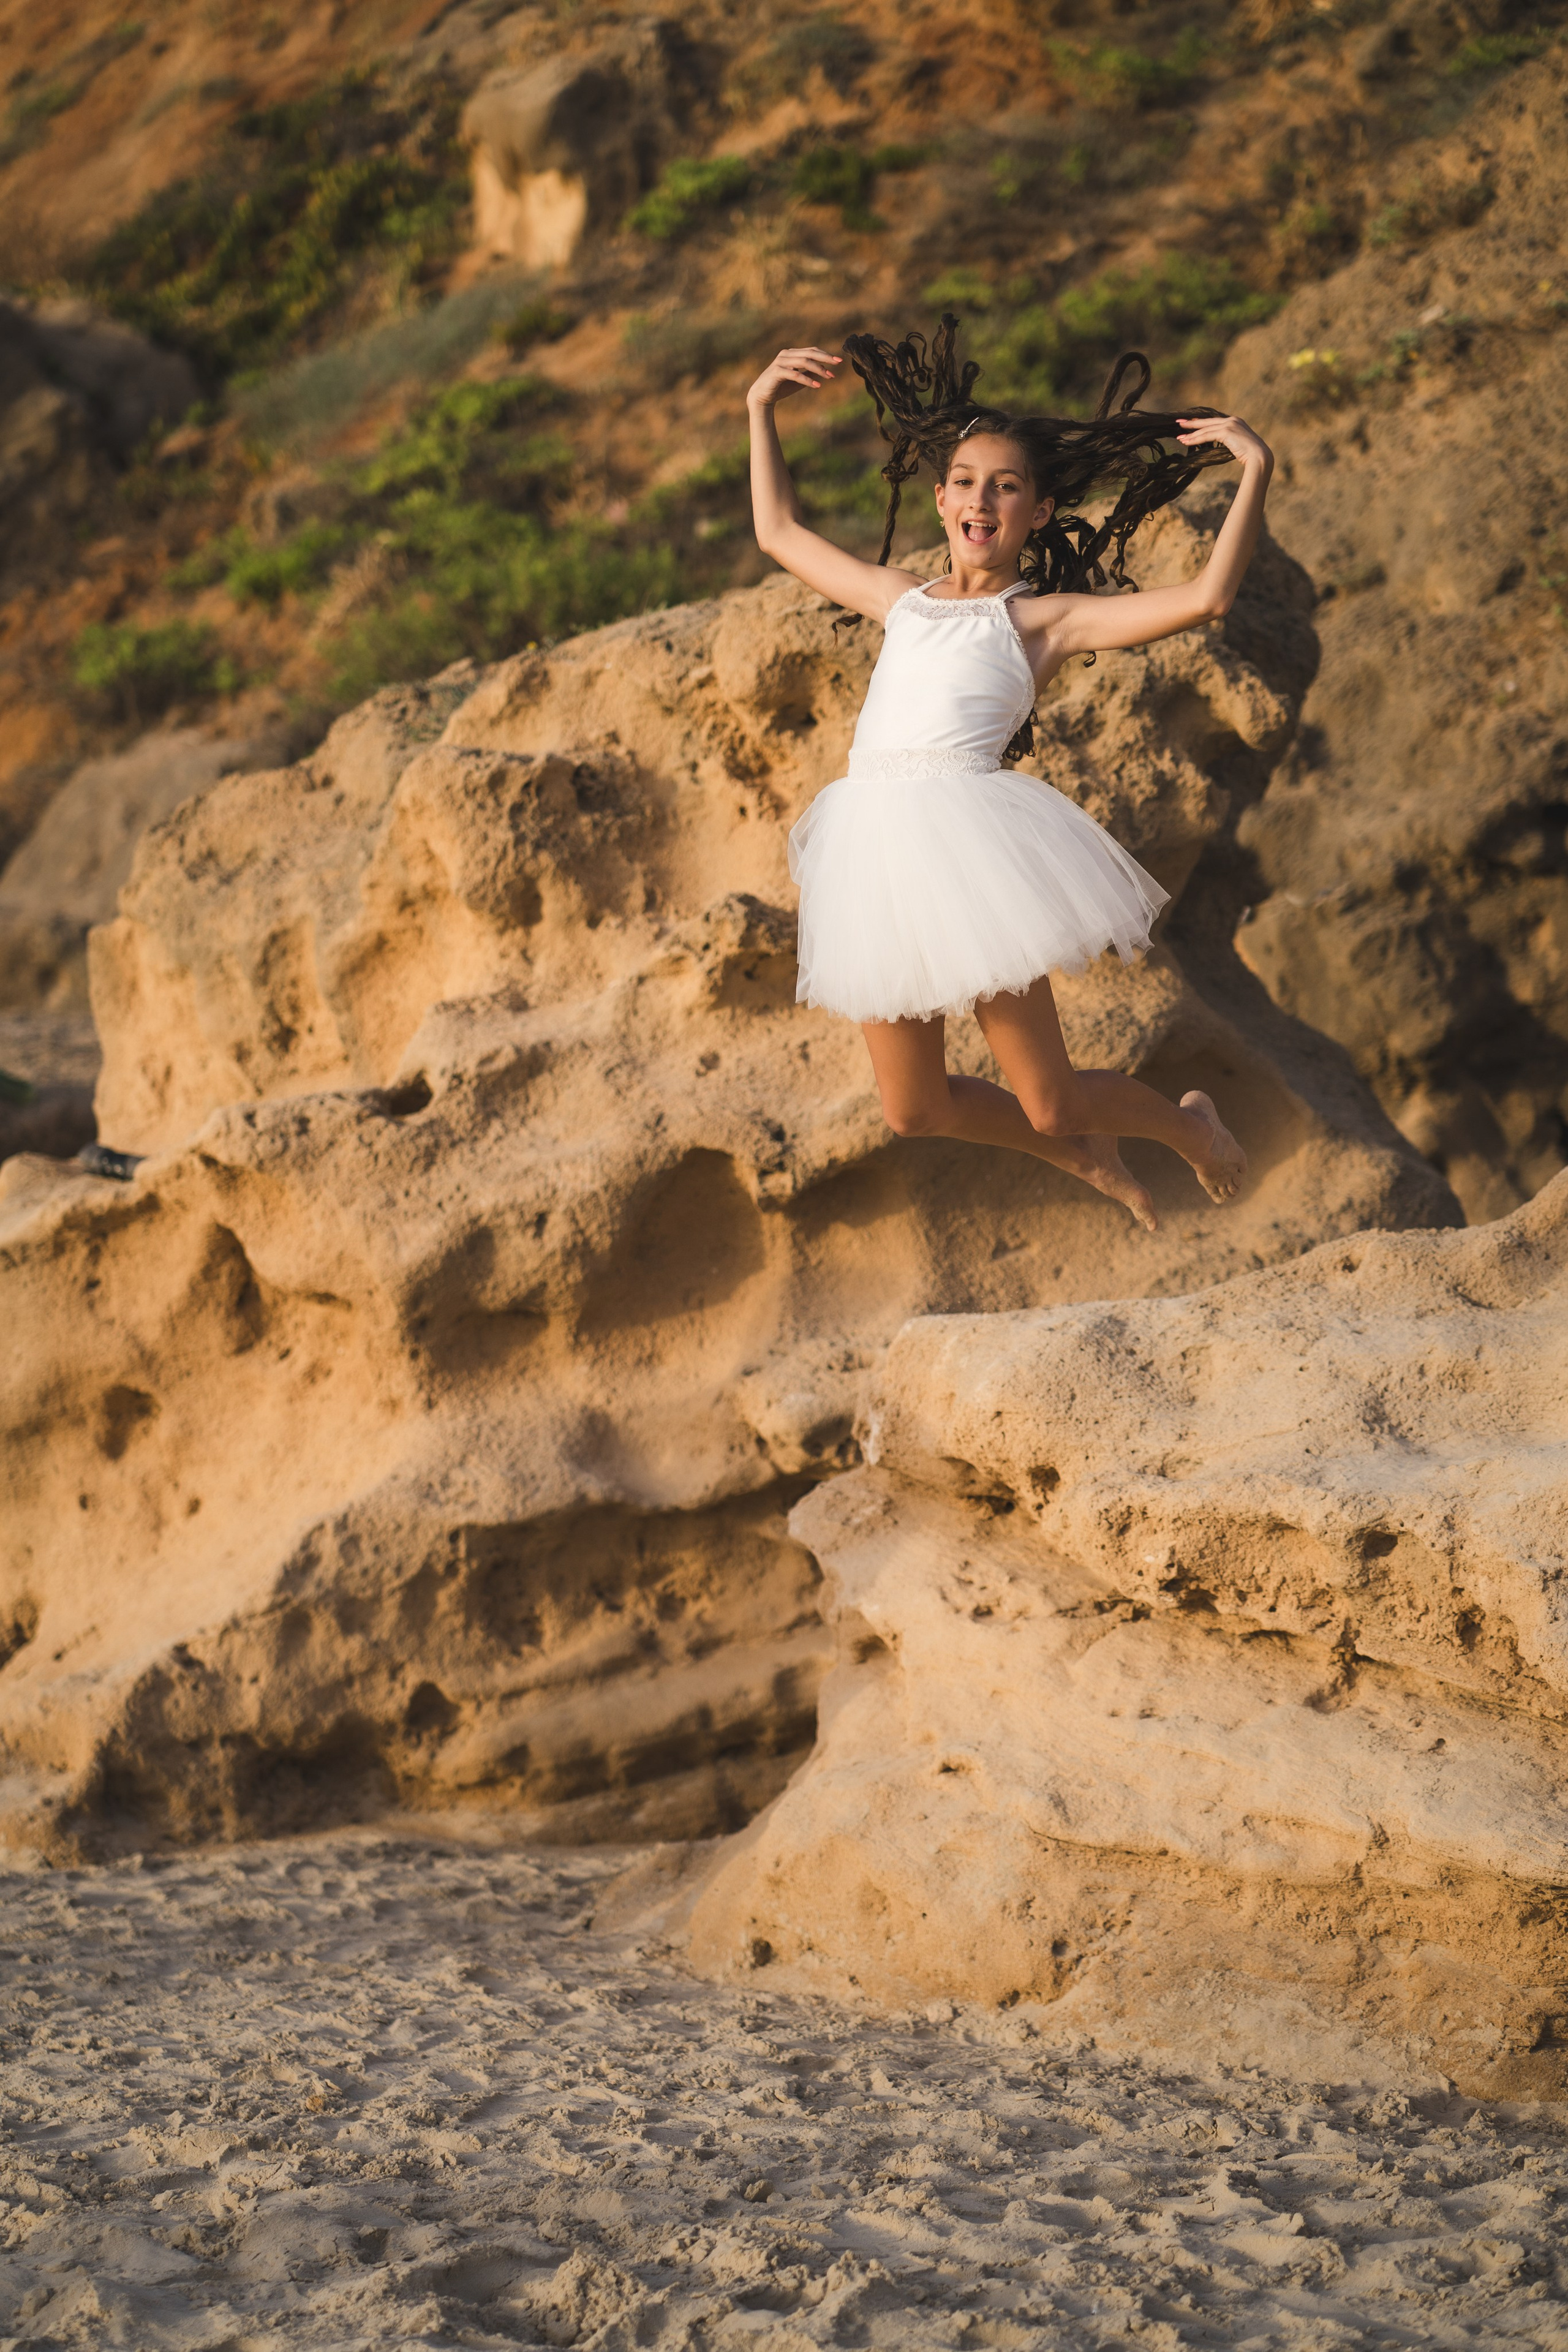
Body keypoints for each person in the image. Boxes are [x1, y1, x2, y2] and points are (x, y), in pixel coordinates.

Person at [745, 315, 1273, 1233]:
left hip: (969, 852)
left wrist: (1255, 470)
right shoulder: (897, 601)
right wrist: (760, 407)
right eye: (962, 482)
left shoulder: (1044, 621)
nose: (980, 498)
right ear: (942, 502)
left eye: (1006, 486)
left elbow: (1206, 599)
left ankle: (1189, 1128)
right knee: (914, 1111)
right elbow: (778, 529)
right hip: (872, 853)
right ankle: (1083, 1159)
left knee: (1052, 1096)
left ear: (1036, 512)